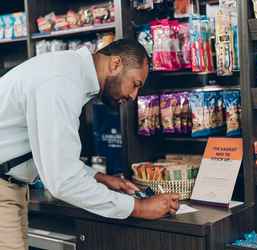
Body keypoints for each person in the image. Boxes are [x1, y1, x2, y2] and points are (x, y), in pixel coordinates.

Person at [0, 39, 180, 250]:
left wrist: (99, 177)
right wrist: (139, 207)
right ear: (115, 64)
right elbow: (62, 181)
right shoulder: (61, 82)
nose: (133, 96)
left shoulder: (69, 73)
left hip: (13, 186)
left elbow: (53, 155)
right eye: (135, 84)